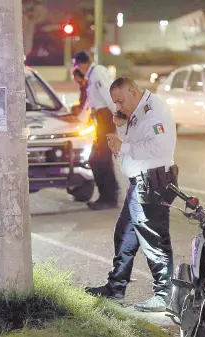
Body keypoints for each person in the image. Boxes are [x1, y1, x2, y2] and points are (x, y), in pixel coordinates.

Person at [85, 77, 178, 312]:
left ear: (134, 92)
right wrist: (121, 126)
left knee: (155, 241)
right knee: (125, 236)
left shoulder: (153, 112)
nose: (118, 106)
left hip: (153, 183)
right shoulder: (137, 110)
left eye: (120, 101)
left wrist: (123, 147)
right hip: (140, 183)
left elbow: (160, 147)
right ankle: (115, 288)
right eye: (115, 102)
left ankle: (164, 295)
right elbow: (136, 137)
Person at [73, 51, 119, 210]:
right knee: (99, 159)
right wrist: (78, 120)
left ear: (80, 64)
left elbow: (109, 95)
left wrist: (118, 119)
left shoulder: (97, 72)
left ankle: (109, 197)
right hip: (101, 120)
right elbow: (90, 104)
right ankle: (108, 196)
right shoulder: (92, 75)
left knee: (99, 158)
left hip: (107, 120)